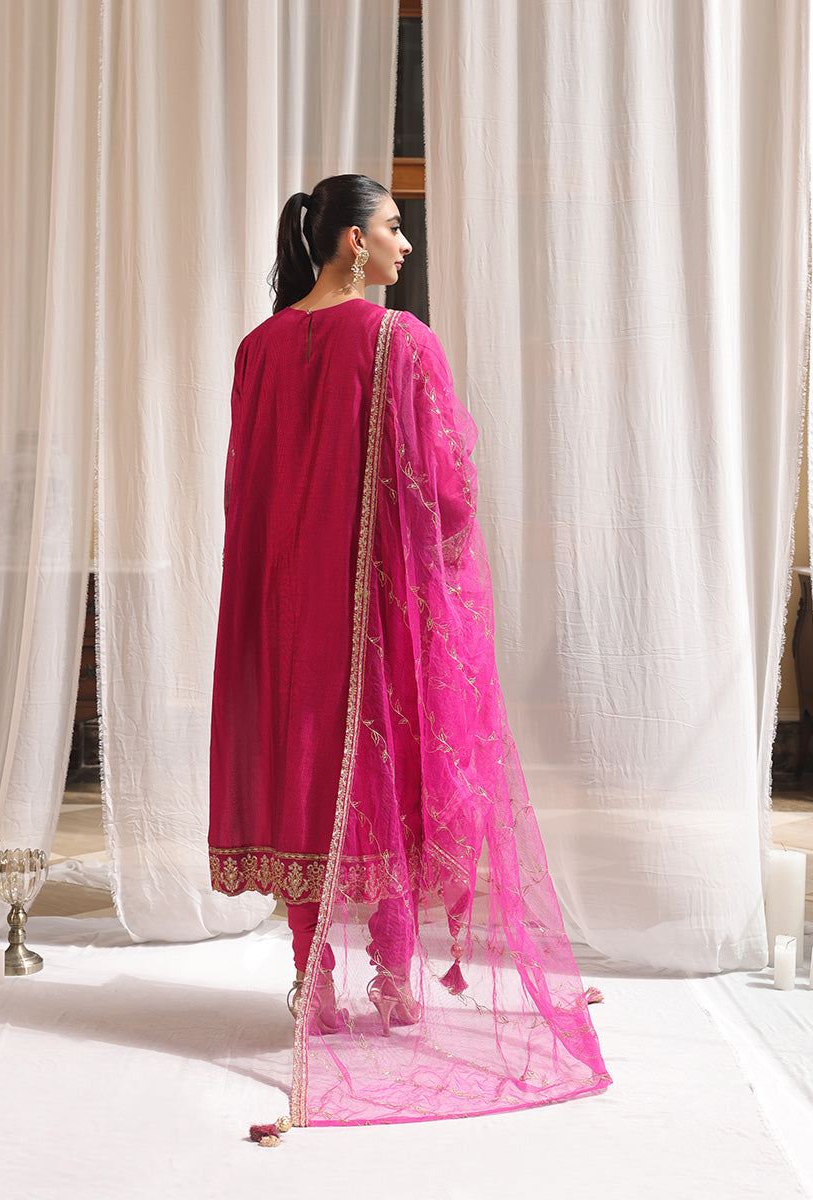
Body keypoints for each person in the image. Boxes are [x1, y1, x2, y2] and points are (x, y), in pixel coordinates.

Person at [209, 174, 609, 1126]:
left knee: (306, 769)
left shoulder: (258, 350)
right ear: (353, 241)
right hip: (376, 605)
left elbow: (243, 488)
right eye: (394, 228)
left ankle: (314, 980)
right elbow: (449, 489)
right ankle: (393, 979)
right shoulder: (401, 341)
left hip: (279, 605)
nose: (406, 243)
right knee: (382, 764)